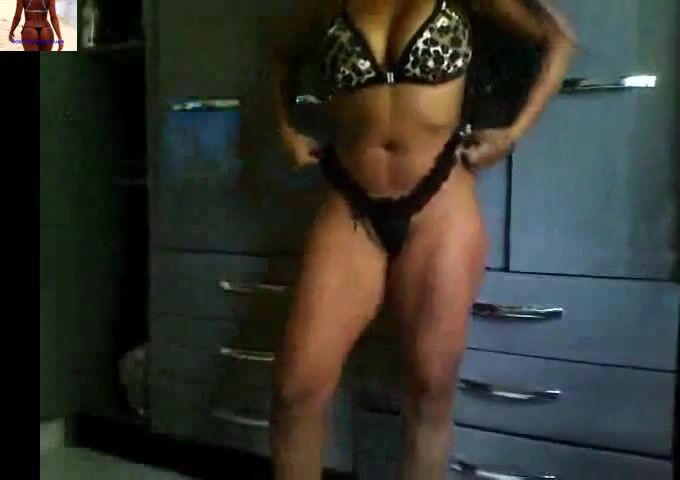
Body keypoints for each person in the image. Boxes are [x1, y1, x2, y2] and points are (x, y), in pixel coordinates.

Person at [269, 0, 575, 479]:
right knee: (295, 391)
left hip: (439, 202)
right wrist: (287, 128)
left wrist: (513, 132)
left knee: (430, 393)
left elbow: (557, 40)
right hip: (350, 200)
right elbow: (282, 54)